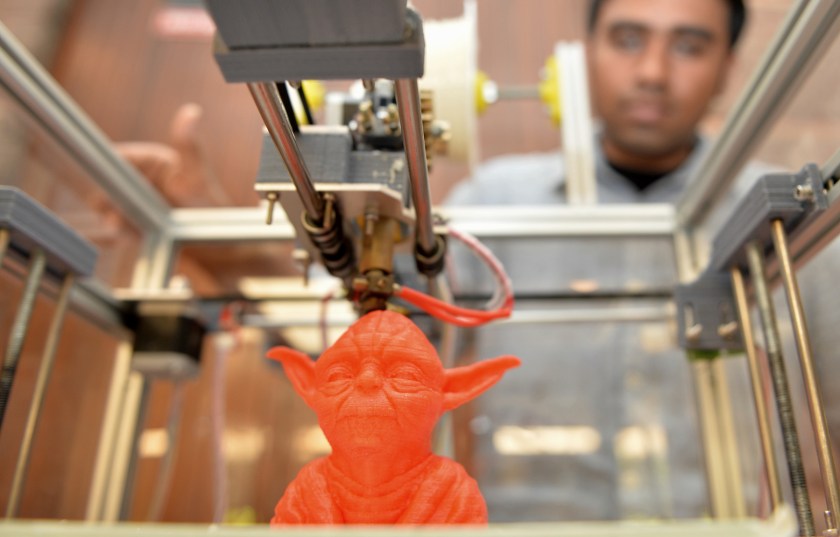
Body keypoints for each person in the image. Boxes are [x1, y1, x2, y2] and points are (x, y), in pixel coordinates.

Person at [443, 0, 763, 522]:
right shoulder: (491, 205)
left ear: (728, 67)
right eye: (628, 40)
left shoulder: (779, 218)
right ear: (587, 53)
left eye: (688, 47)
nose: (653, 73)